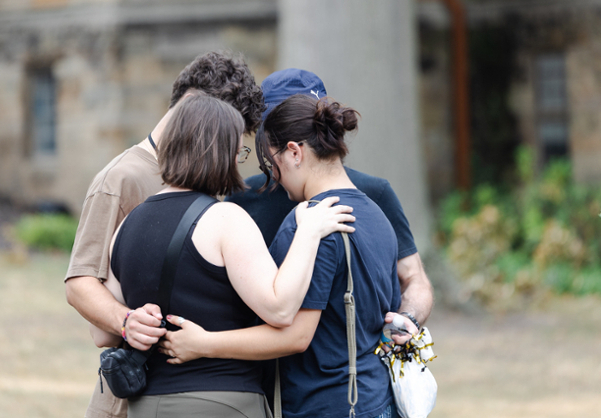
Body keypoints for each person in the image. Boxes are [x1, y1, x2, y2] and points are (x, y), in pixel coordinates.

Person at [102, 93, 356, 417]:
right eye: (239, 150)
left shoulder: (126, 224)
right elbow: (279, 310)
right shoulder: (225, 219)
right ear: (219, 152)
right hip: (222, 401)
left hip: (144, 405)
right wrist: (309, 232)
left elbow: (102, 332)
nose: (239, 160)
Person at [160, 94, 408, 418]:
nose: (272, 177)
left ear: (294, 152)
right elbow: (388, 315)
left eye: (270, 164)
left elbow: (295, 336)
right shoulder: (377, 215)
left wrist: (204, 343)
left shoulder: (311, 222)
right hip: (377, 401)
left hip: (325, 405)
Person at [64, 51, 266, 418]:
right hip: (130, 401)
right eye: (229, 132)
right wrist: (125, 321)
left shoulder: (201, 176)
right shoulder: (121, 178)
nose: (235, 152)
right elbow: (80, 282)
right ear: (197, 110)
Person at [227, 69, 433, 342]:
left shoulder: (373, 194)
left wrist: (407, 319)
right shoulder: (243, 197)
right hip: (264, 369)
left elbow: (414, 278)